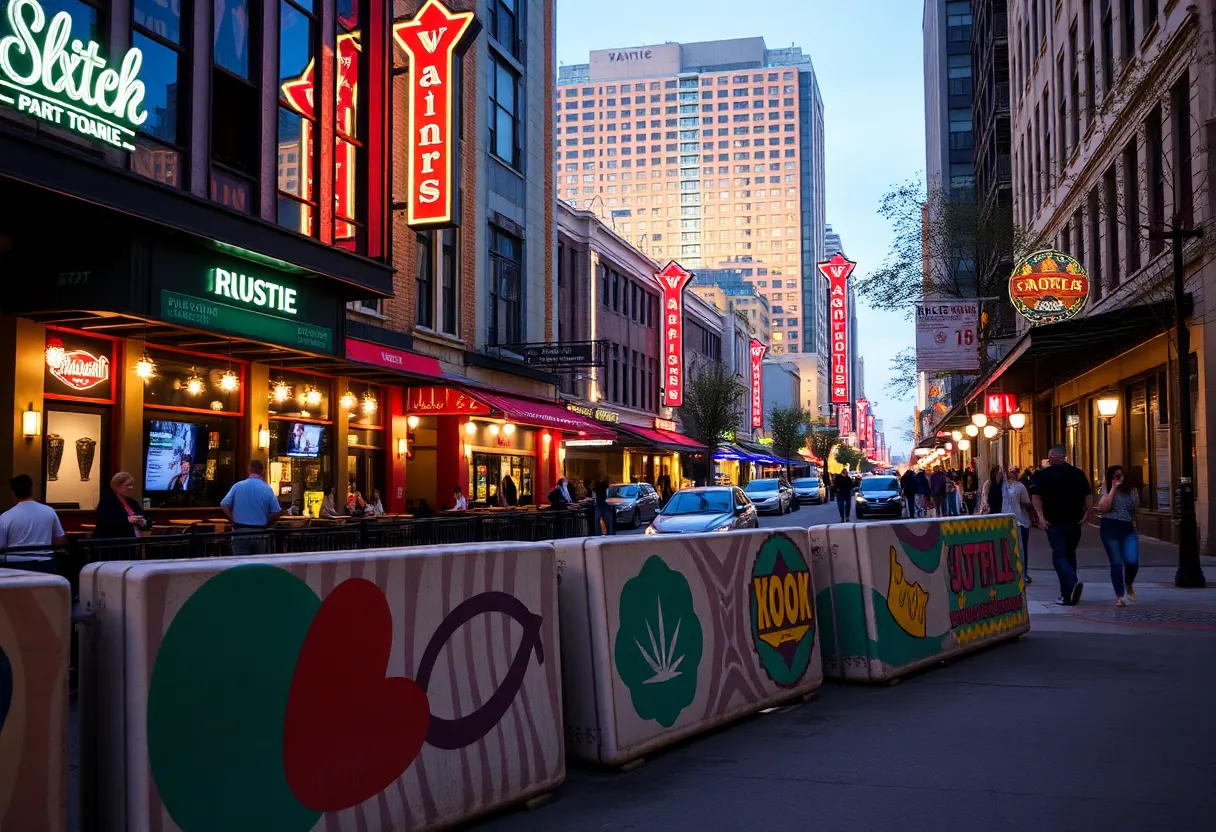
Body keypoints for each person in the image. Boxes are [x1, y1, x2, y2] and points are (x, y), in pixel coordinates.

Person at [1031, 444, 1093, 606]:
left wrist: (1040, 516)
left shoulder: (1043, 474)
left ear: (1052, 456)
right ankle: (1067, 596)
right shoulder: (1078, 474)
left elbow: (1036, 497)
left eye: (1049, 458)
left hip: (1054, 521)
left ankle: (1071, 583)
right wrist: (1088, 513)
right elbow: (1088, 495)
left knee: (1059, 555)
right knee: (1069, 554)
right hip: (1074, 520)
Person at [0, 474, 66, 572]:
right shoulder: (49, 511)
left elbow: (1, 545)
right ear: (32, 488)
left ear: (13, 493)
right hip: (45, 563)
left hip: (15, 565)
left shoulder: (5, 517)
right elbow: (59, 540)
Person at [1097, 465, 1140, 607]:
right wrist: (1113, 489)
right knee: (1116, 562)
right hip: (1110, 526)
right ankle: (1120, 596)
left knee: (1132, 561)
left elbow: (1135, 510)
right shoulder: (1107, 490)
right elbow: (1103, 508)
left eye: (1120, 475)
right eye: (1115, 476)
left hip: (1127, 526)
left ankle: (1128, 583)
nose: (1118, 478)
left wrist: (1134, 525)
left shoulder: (1132, 491)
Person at [219, 460, 281, 555]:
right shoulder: (267, 489)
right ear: (263, 472)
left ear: (249, 470)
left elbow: (224, 505)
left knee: (241, 565)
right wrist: (267, 524)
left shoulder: (237, 486)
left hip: (240, 531)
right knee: (258, 565)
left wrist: (232, 520)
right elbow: (276, 512)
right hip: (260, 532)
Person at [94, 472, 150, 538]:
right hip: (115, 542)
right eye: (127, 485)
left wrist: (143, 521)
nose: (131, 487)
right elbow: (104, 524)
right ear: (117, 486)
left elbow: (147, 520)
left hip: (135, 542)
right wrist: (128, 520)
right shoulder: (107, 502)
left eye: (132, 485)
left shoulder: (133, 502)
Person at [594, 470, 613, 535]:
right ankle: (609, 532)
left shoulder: (599, 484)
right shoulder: (602, 485)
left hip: (600, 503)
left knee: (599, 519)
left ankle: (602, 533)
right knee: (605, 519)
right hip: (601, 503)